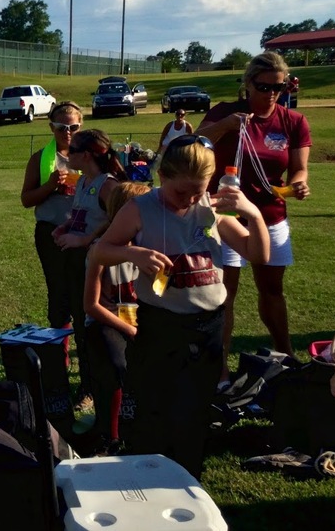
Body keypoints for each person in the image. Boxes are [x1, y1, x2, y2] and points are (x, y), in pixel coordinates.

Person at [92, 134, 269, 478]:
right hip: (162, 325)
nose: (188, 200)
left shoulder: (211, 208)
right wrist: (133, 252)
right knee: (155, 405)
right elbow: (101, 250)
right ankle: (149, 474)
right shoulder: (141, 208)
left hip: (207, 327)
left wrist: (253, 214)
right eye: (180, 192)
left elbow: (258, 253)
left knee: (196, 408)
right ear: (162, 177)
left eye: (197, 191)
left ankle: (188, 478)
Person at [197, 52, 311, 386]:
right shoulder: (225, 112)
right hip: (227, 215)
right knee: (225, 293)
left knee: (272, 289)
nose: (272, 93)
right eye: (263, 86)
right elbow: (193, 145)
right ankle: (219, 371)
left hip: (270, 216)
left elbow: (298, 167)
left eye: (280, 86)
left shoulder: (293, 121)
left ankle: (287, 354)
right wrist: (224, 126)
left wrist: (298, 183)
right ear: (247, 84)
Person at [52, 128, 128, 409]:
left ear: (85, 155)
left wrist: (84, 239)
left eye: (71, 150)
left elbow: (121, 217)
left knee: (94, 329)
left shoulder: (108, 184)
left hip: (99, 269)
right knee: (82, 327)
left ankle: (100, 390)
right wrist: (67, 226)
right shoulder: (85, 181)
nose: (66, 154)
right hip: (79, 262)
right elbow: (82, 214)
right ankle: (89, 386)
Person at [82, 181, 151, 448]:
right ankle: (111, 435)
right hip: (107, 320)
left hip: (141, 319)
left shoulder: (153, 242)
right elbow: (91, 306)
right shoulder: (100, 248)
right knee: (116, 361)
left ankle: (148, 424)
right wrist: (129, 329)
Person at [20, 101, 83, 344]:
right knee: (58, 294)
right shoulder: (40, 159)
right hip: (51, 235)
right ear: (51, 128)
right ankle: (60, 357)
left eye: (73, 127)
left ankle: (87, 355)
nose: (67, 132)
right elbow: (26, 199)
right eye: (61, 127)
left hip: (83, 235)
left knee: (83, 296)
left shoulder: (90, 158)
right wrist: (50, 186)